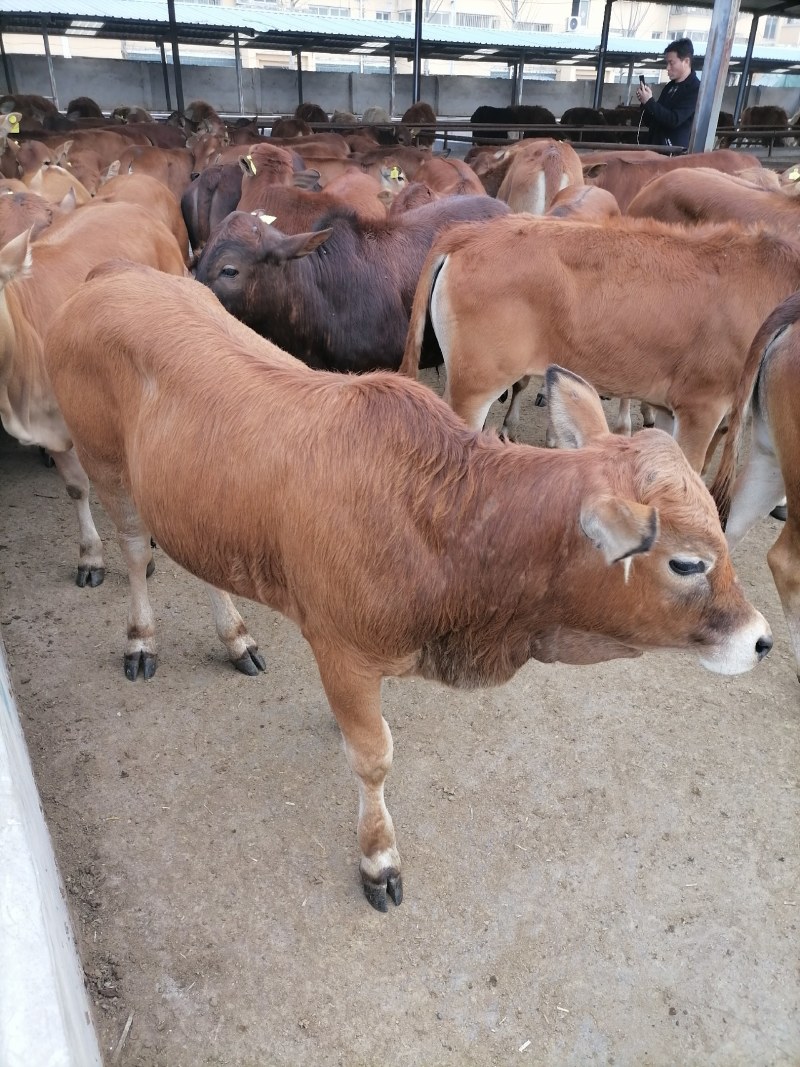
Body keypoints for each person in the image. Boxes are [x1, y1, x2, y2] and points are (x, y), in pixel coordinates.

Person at [636, 38, 700, 150]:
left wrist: (650, 102)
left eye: (671, 63)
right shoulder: (669, 87)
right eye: (667, 63)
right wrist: (645, 103)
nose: (667, 68)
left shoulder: (695, 89)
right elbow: (652, 120)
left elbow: (674, 120)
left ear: (686, 61)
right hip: (655, 148)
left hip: (673, 153)